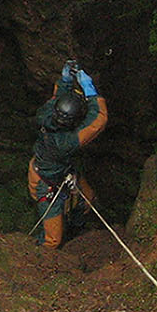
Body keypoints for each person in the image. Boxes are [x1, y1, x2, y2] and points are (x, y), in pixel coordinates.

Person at [27, 61, 107, 250]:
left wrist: (65, 81)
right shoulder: (65, 142)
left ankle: (76, 229)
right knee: (52, 240)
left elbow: (57, 98)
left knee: (87, 198)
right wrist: (91, 91)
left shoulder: (46, 115)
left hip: (60, 171)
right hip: (45, 183)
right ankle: (40, 254)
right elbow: (98, 120)